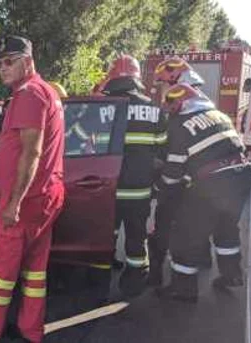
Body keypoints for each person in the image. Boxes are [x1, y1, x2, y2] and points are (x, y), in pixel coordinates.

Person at [0, 35, 65, 343]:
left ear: (27, 61)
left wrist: (13, 203)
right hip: (45, 196)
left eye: (9, 61)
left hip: (23, 203)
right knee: (34, 273)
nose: (2, 68)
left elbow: (32, 152)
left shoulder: (28, 94)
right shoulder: (46, 92)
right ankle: (30, 330)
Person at [155, 84, 251, 303]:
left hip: (213, 183)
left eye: (169, 104)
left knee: (186, 234)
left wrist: (162, 190)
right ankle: (231, 275)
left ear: (180, 103)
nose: (168, 109)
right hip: (241, 177)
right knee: (226, 227)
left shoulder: (180, 124)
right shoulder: (218, 115)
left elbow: (173, 171)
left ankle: (184, 289)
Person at [101, 54, 167, 296]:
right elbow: (163, 151)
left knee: (108, 231)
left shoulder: (105, 107)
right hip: (140, 189)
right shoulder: (154, 110)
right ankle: (133, 280)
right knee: (136, 235)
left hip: (107, 187)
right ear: (137, 78)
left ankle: (100, 276)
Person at [147, 57, 206, 286]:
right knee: (191, 225)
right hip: (196, 178)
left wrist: (161, 183)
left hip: (181, 177)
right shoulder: (197, 97)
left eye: (163, 83)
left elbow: (174, 150)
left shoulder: (183, 108)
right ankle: (199, 259)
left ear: (173, 76)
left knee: (164, 224)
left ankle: (157, 275)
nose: (163, 92)